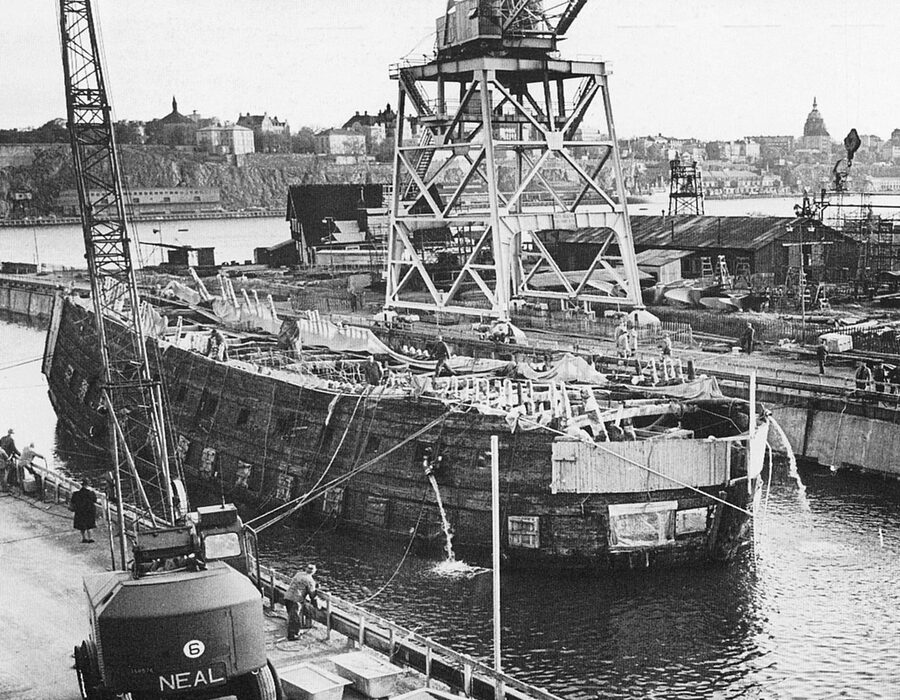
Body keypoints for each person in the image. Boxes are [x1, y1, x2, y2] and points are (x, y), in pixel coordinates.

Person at [284, 564, 318, 640]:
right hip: (296, 599)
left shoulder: (298, 574)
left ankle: (293, 632)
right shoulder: (310, 580)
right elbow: (312, 594)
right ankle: (292, 636)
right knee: (295, 619)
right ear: (314, 571)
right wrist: (316, 590)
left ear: (306, 569)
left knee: (291, 616)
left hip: (287, 596)